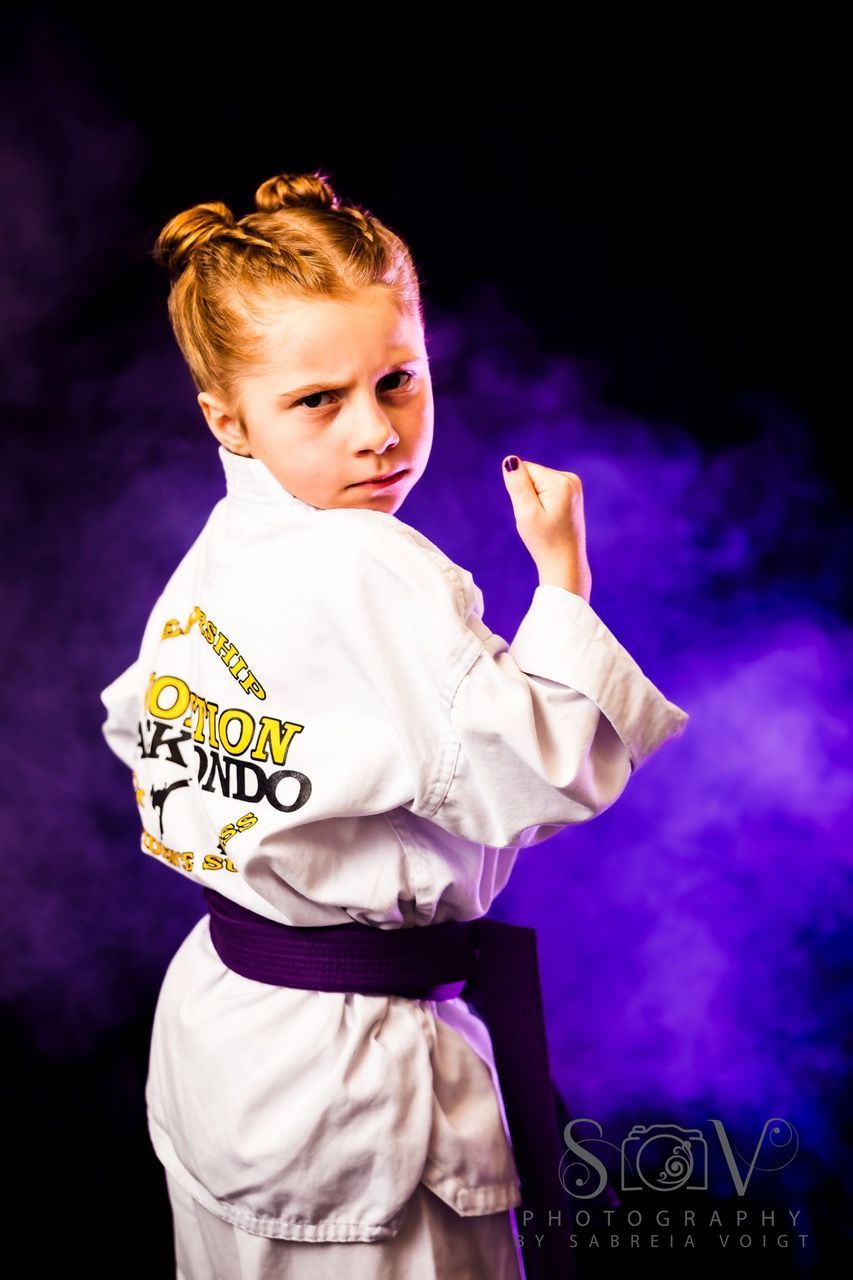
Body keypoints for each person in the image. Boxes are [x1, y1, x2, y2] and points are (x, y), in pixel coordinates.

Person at [99, 168, 690, 1280]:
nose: (376, 432)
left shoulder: (227, 544)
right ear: (227, 416)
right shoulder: (367, 563)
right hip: (356, 1076)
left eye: (397, 380)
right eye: (318, 401)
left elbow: (138, 725)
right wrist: (562, 582)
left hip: (230, 1029)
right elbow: (549, 772)